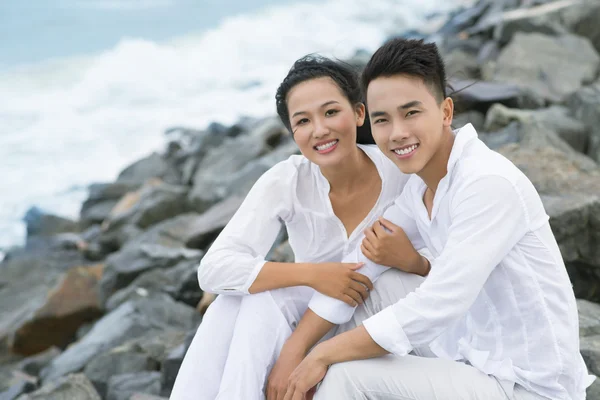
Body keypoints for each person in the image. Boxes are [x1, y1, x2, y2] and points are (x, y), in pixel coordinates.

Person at [282, 38, 594, 400]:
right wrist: (294, 352)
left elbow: (441, 302)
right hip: (474, 354)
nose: (397, 133)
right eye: (382, 119)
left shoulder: (486, 183)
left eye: (411, 113)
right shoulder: (420, 189)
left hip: (527, 386)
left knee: (346, 377)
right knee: (373, 289)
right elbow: (359, 265)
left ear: (446, 112)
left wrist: (322, 355)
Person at [169, 55, 431, 400]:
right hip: (308, 323)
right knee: (230, 305)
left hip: (378, 321)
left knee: (254, 303)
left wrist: (413, 260)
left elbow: (447, 262)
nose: (319, 130)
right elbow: (213, 270)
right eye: (303, 121)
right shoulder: (287, 180)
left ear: (359, 113)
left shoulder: (400, 171)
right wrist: (314, 274)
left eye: (330, 112)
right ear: (292, 133)